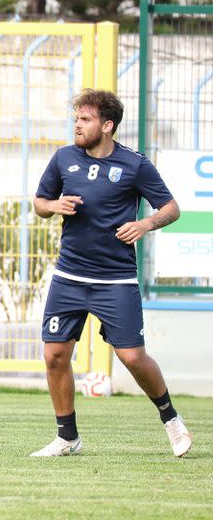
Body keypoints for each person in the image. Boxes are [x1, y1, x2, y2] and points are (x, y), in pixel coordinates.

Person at [30, 88, 192, 458]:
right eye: (75, 119)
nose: (77, 125)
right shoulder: (63, 158)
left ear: (107, 125)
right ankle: (67, 438)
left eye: (84, 120)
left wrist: (145, 224)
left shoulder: (134, 164)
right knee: (55, 355)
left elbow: (171, 207)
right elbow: (39, 203)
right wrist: (54, 205)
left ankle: (172, 420)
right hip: (69, 277)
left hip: (115, 280)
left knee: (132, 357)